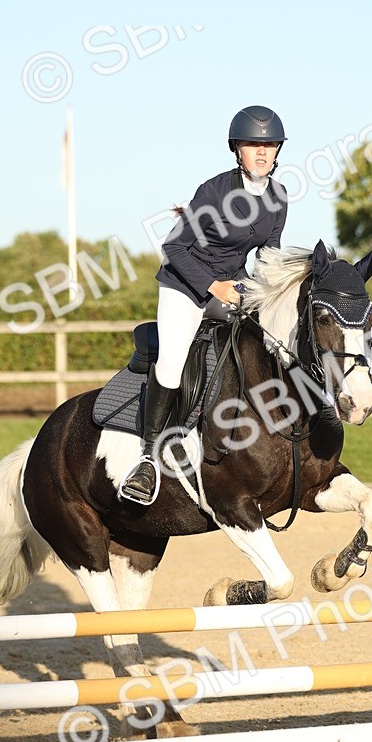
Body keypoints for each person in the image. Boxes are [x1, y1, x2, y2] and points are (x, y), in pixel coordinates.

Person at [120, 105, 288, 504]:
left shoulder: (278, 197)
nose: (261, 152)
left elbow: (269, 257)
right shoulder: (215, 191)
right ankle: (147, 459)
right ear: (237, 150)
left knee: (265, 342)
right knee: (174, 360)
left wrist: (268, 294)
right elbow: (174, 247)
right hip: (185, 284)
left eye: (269, 145)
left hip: (232, 288)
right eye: (253, 145)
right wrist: (214, 287)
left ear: (278, 151)